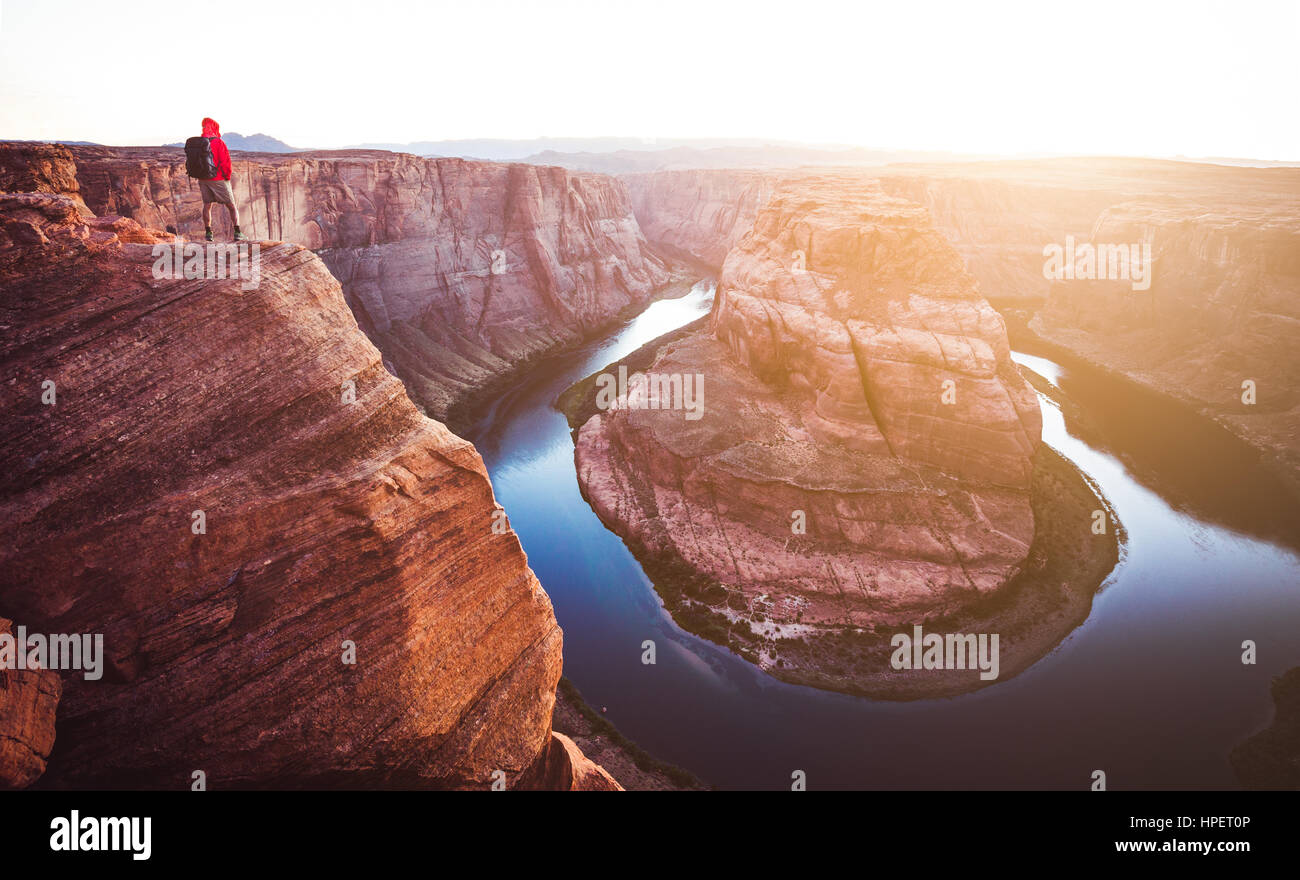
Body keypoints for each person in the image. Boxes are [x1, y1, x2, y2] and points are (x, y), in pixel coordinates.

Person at [196, 118, 245, 242]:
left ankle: (208, 233)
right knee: (232, 206)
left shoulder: (199, 143)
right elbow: (225, 163)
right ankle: (238, 232)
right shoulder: (219, 142)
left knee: (207, 205)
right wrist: (227, 177)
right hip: (218, 178)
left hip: (203, 178)